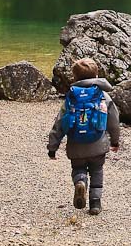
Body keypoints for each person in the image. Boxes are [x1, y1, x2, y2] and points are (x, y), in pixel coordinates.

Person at [47, 58, 120, 215]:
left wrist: (52, 147)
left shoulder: (71, 97)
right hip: (98, 144)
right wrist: (115, 141)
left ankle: (80, 181)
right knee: (97, 171)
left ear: (74, 77)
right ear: (96, 75)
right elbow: (114, 121)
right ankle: (95, 203)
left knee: (78, 168)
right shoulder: (103, 96)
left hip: (75, 145)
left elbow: (59, 123)